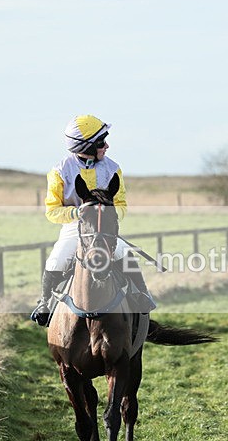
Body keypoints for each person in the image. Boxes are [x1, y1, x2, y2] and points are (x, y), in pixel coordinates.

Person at [30, 114, 155, 326]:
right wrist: (77, 214)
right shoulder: (59, 171)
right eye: (100, 143)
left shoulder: (113, 168)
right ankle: (44, 303)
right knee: (56, 260)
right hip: (74, 228)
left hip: (104, 227)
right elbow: (52, 211)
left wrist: (108, 214)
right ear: (86, 147)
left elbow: (121, 205)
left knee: (125, 254)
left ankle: (142, 295)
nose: (106, 146)